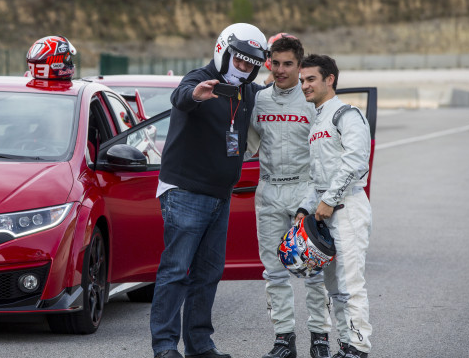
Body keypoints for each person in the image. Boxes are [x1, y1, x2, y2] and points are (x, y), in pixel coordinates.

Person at [150, 23, 268, 358]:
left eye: (251, 64)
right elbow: (181, 97)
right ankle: (164, 348)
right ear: (223, 51)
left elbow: (277, 99)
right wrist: (193, 95)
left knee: (208, 274)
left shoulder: (248, 93)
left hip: (220, 194)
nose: (243, 68)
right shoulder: (198, 78)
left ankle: (200, 346)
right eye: (239, 61)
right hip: (186, 192)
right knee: (175, 271)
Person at [244, 36, 332, 358]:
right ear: (269, 63)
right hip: (268, 192)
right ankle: (284, 339)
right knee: (274, 272)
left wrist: (313, 200)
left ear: (300, 64)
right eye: (275, 63)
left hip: (303, 191)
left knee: (313, 271)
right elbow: (245, 147)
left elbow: (327, 155)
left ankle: (320, 337)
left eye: (288, 64)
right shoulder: (259, 100)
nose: (281, 70)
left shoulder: (312, 101)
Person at [296, 54, 373, 358]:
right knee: (335, 289)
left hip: (349, 209)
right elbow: (316, 176)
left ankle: (358, 347)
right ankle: (345, 344)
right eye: (302, 80)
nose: (304, 85)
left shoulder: (347, 114)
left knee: (351, 284)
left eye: (310, 79)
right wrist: (306, 208)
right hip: (324, 215)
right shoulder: (318, 120)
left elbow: (356, 163)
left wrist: (329, 200)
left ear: (329, 79)